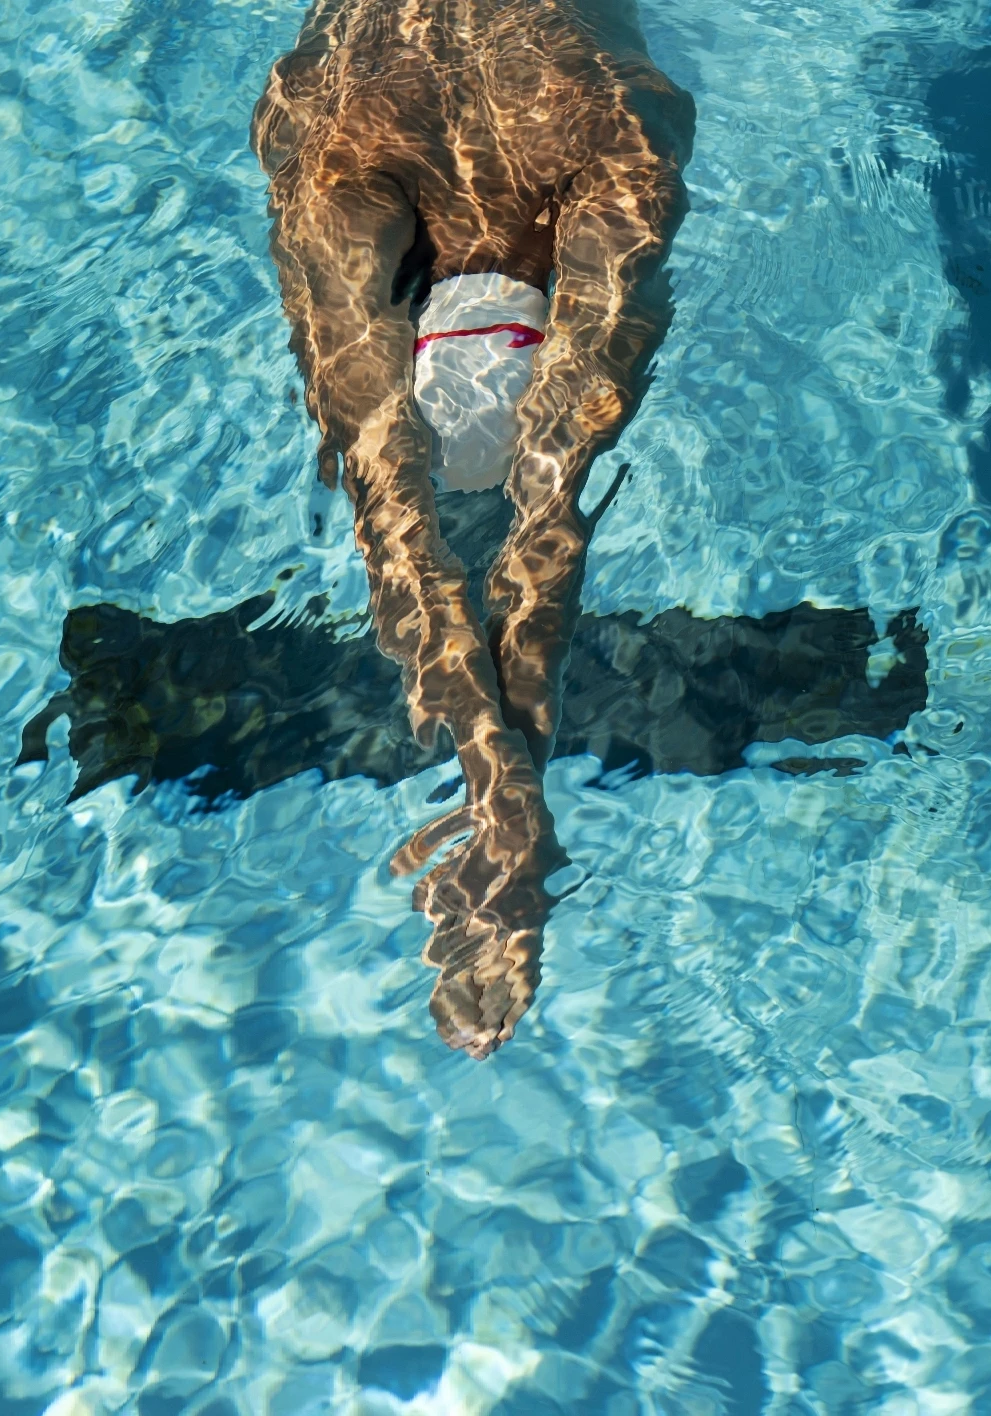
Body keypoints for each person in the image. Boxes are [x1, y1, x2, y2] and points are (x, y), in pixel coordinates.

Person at [252, 0, 694, 1058]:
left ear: (416, 329)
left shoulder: (334, 141)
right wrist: (508, 790)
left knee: (398, 492)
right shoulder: (619, 134)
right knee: (549, 479)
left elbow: (393, 525)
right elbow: (551, 509)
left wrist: (499, 784)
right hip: (545, 87)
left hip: (383, 90)